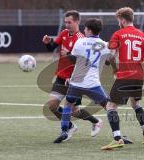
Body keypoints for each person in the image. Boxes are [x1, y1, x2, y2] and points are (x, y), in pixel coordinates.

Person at [101, 7, 144, 150]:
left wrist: (113, 68)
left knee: (110, 106)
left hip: (124, 75)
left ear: (123, 20)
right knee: (135, 104)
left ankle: (117, 138)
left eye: (119, 20)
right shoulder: (143, 35)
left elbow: (111, 55)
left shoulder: (118, 34)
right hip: (138, 76)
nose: (118, 22)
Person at [42, 10, 102, 140]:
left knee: (75, 111)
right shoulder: (64, 33)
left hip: (75, 79)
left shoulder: (82, 39)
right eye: (65, 22)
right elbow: (52, 47)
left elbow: (82, 61)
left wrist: (72, 72)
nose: (67, 25)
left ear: (77, 22)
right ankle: (69, 126)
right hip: (61, 76)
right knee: (52, 105)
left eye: (69, 22)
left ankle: (95, 121)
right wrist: (48, 43)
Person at [53, 18, 112, 143]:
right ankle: (118, 134)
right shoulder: (105, 45)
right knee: (109, 106)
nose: (84, 30)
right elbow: (108, 62)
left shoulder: (80, 42)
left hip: (77, 81)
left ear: (89, 30)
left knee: (68, 105)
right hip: (93, 83)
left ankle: (64, 130)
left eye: (85, 28)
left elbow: (74, 59)